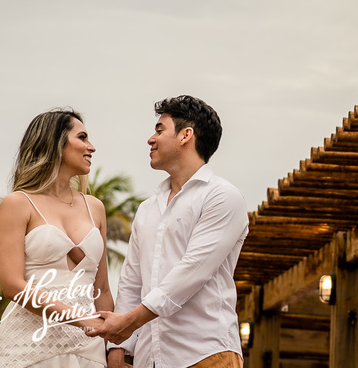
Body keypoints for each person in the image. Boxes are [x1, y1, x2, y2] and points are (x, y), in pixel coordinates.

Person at [89, 96, 248, 368]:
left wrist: (127, 322)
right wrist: (118, 349)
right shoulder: (147, 208)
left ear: (186, 135)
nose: (151, 139)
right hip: (149, 359)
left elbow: (192, 272)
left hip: (206, 354)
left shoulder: (223, 197)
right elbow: (131, 282)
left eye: (160, 130)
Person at [0, 109, 113, 368]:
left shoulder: (95, 207)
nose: (92, 147)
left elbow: (101, 289)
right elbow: (12, 285)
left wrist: (113, 347)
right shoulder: (18, 203)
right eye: (82, 137)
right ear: (56, 143)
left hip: (88, 350)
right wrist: (82, 319)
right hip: (26, 349)